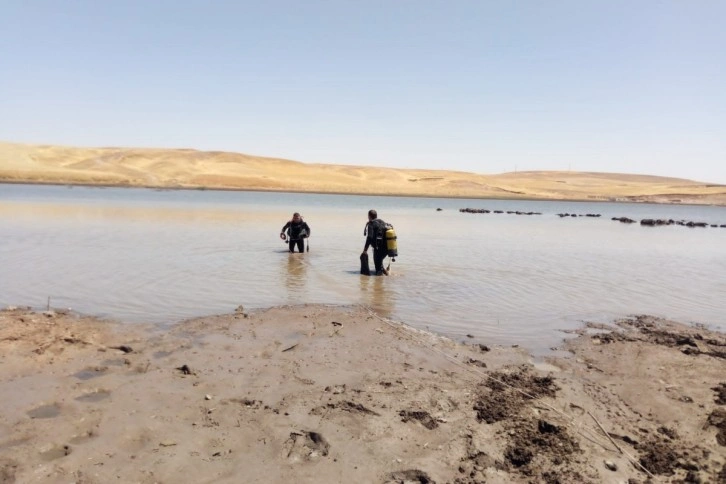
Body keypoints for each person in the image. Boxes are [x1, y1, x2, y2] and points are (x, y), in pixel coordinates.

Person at [362, 209, 388, 275]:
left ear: (369, 216)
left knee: (378, 271)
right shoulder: (382, 222)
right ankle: (388, 275)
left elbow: (369, 237)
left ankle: (379, 282)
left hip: (378, 249)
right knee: (380, 264)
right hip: (387, 248)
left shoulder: (371, 224)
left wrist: (365, 250)